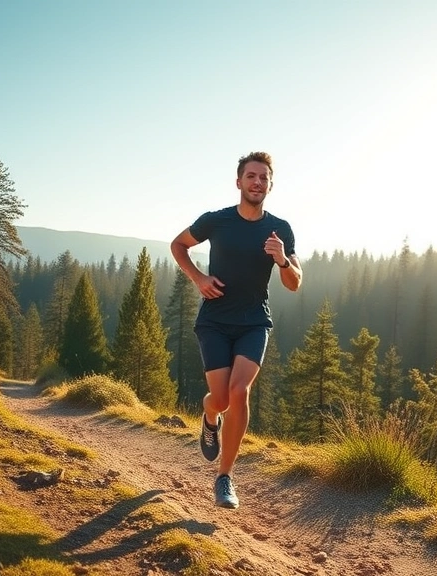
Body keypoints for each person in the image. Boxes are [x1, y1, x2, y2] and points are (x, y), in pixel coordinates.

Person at [170, 151, 302, 509]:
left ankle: (224, 477)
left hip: (254, 322)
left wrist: (282, 259)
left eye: (264, 178)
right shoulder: (217, 221)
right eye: (252, 176)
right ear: (239, 181)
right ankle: (209, 415)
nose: (257, 182)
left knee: (239, 391)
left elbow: (294, 283)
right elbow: (178, 244)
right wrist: (198, 278)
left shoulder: (280, 230)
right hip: (214, 321)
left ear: (270, 185)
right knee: (222, 399)